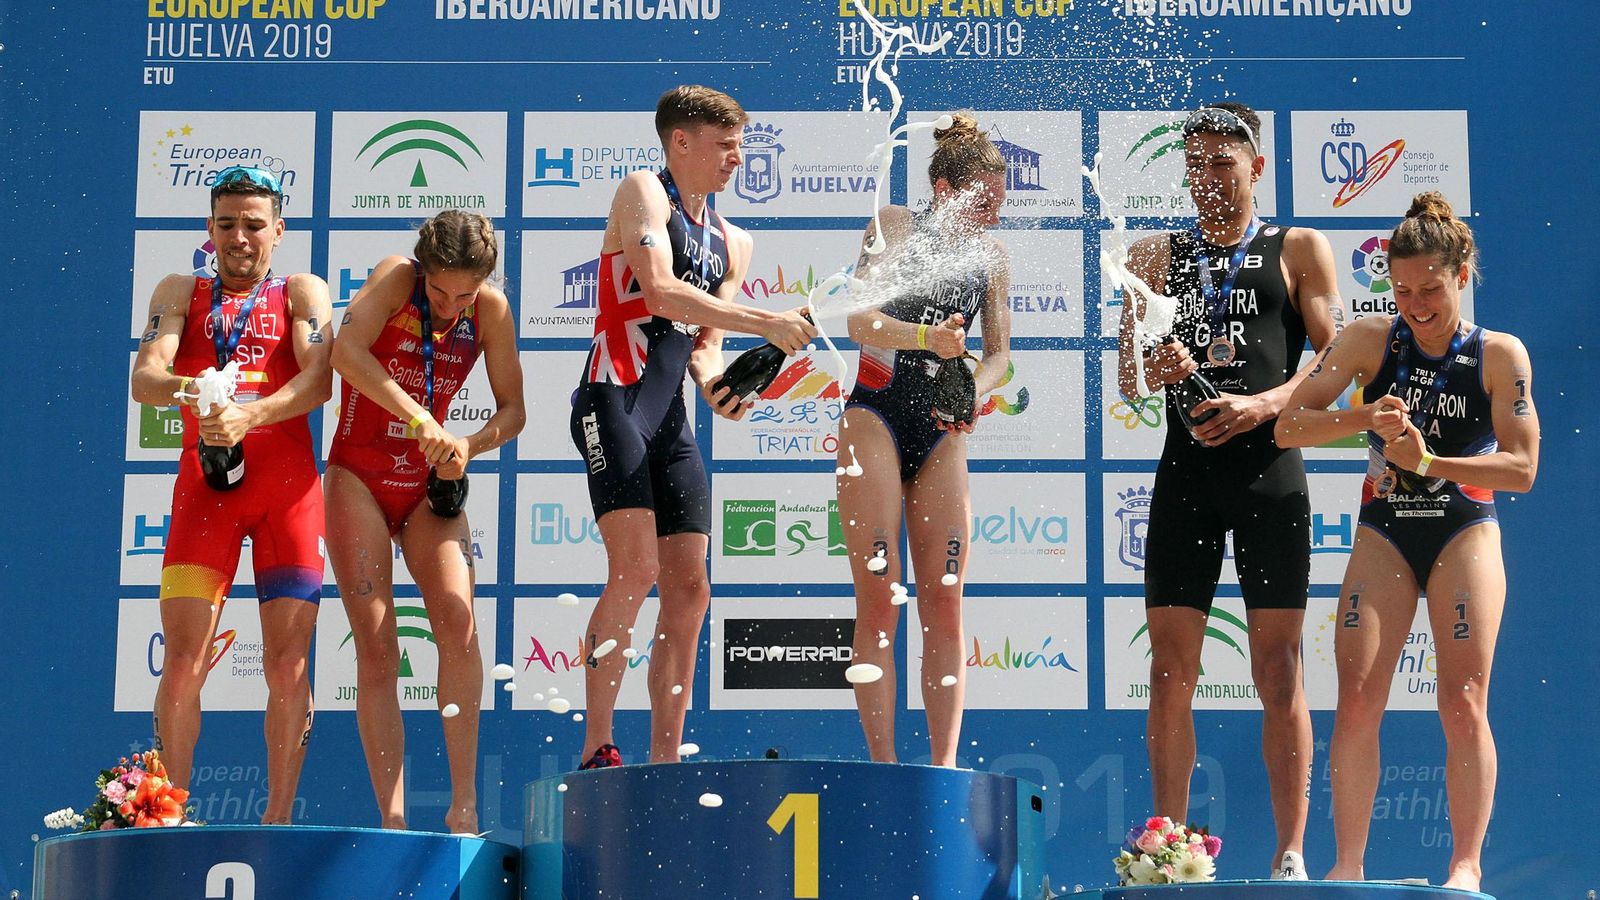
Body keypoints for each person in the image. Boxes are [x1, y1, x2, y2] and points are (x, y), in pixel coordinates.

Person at [1276, 193, 1537, 891]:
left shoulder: (1498, 353)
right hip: (1386, 532)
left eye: (1431, 288)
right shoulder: (1370, 340)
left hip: (1464, 530)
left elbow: (1522, 469)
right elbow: (1288, 427)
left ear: (1461, 275)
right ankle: (1349, 864)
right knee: (1358, 697)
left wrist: (1429, 462)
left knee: (1463, 699)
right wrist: (1365, 413)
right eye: (1402, 290)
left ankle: (1465, 866)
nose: (1417, 304)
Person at [1117, 103, 1339, 878]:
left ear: (1257, 168)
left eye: (1223, 163)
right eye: (1196, 164)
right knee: (1169, 670)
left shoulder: (1300, 248)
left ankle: (1291, 852)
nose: (1209, 179)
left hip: (1270, 475)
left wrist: (1266, 403)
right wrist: (1160, 364)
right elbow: (1127, 374)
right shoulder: (1154, 254)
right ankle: (1169, 849)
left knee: (1278, 666)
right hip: (1187, 477)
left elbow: (1331, 358)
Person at [570, 85, 816, 769]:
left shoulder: (736, 240)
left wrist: (719, 387)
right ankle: (597, 746)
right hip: (610, 399)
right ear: (681, 142)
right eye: (725, 144)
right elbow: (659, 292)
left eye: (742, 143)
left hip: (670, 419)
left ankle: (665, 762)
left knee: (691, 587)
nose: (738, 157)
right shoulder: (642, 192)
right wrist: (768, 322)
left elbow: (702, 344)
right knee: (637, 568)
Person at [130, 165, 333, 824]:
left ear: (279, 229)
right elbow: (146, 376)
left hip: (289, 498)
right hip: (205, 496)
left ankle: (277, 819)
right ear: (209, 230)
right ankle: (167, 812)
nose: (240, 237)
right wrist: (199, 392)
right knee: (185, 659)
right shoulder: (179, 290)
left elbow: (319, 382)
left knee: (288, 663)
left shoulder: (302, 292)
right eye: (226, 225)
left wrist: (249, 413)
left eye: (253, 224)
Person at [326, 211, 524, 833]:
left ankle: (463, 805)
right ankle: (392, 817)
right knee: (378, 643)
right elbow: (344, 353)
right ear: (424, 272)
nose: (449, 306)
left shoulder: (489, 310)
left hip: (427, 481)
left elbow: (514, 410)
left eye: (463, 295)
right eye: (440, 292)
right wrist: (422, 419)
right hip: (359, 472)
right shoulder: (395, 277)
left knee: (459, 621)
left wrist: (469, 443)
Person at [838, 113, 1011, 767]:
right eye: (985, 201)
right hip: (874, 420)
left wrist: (970, 379)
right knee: (880, 598)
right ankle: (883, 768)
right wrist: (926, 340)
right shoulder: (895, 225)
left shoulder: (991, 257)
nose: (994, 216)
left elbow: (998, 354)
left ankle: (942, 769)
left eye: (1001, 202)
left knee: (943, 599)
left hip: (939, 434)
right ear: (946, 190)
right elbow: (858, 320)